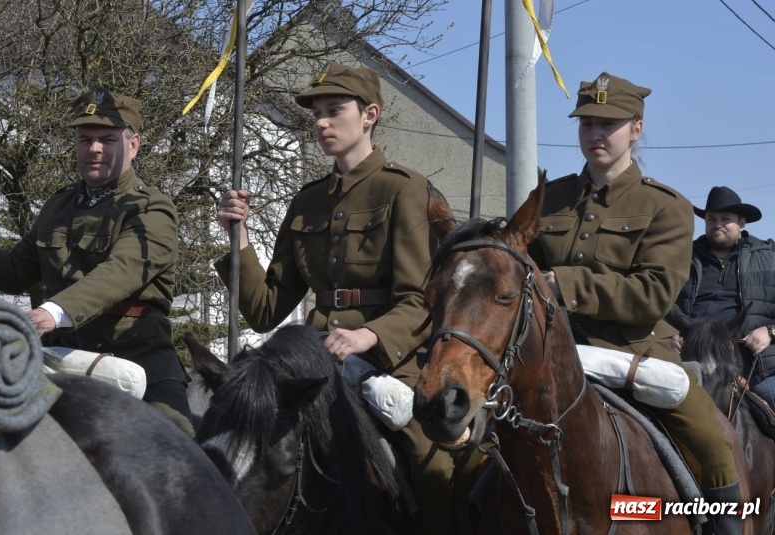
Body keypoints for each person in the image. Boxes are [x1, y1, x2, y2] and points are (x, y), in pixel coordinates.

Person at [215, 61, 479, 534]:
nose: (321, 123)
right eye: (316, 113)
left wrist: (367, 336)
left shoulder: (403, 189)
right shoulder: (307, 201)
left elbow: (421, 298)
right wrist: (239, 238)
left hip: (387, 360)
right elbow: (264, 309)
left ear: (370, 115)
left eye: (334, 110)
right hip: (312, 357)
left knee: (431, 457)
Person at [527, 72, 740, 534]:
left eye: (609, 124)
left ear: (636, 129)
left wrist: (564, 283)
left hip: (634, 350)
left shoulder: (667, 206)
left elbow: (652, 295)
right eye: (587, 124)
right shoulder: (549, 198)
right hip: (553, 351)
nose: (596, 134)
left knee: (712, 439)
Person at [0, 87, 193, 435]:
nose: (94, 149)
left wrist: (52, 312)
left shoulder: (150, 207)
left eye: (107, 139)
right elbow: (13, 273)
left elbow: (122, 270)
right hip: (62, 357)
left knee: (184, 452)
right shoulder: (58, 207)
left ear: (133, 145)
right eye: (85, 138)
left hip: (137, 356)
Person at [671, 186, 775, 410]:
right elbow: (659, 305)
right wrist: (669, 335)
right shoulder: (682, 258)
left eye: (725, 219)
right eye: (711, 219)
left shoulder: (770, 257)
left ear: (742, 223)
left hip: (756, 365)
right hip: (693, 361)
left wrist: (770, 331)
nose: (716, 224)